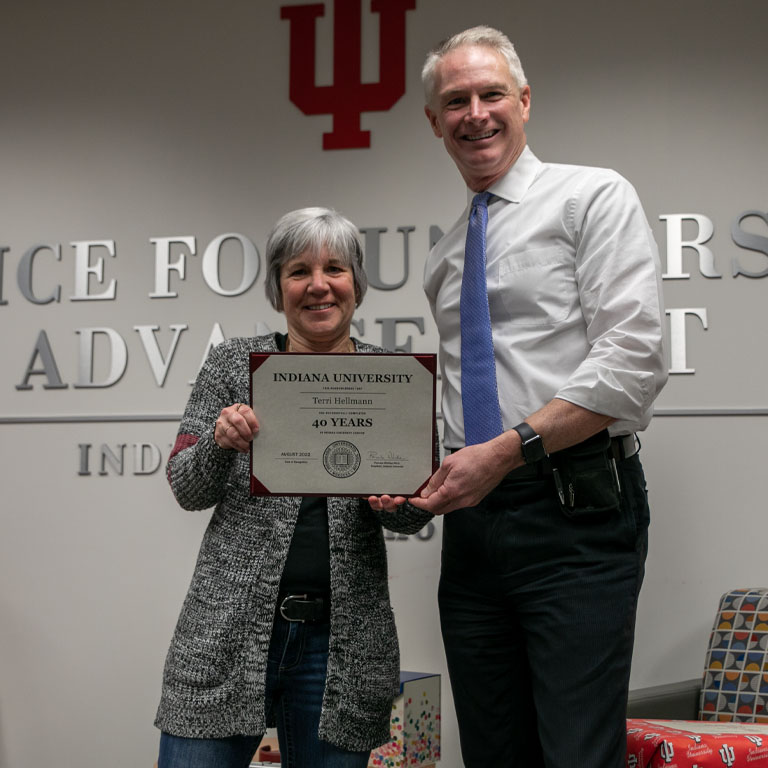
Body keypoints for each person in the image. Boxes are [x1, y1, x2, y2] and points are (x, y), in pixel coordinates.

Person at [409, 25, 668, 768]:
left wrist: (506, 451)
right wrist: (417, 481)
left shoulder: (592, 196)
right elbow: (462, 398)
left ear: (524, 101)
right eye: (455, 100)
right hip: (474, 535)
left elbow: (633, 360)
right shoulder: (444, 252)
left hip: (576, 516)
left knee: (576, 754)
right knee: (493, 754)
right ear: (435, 122)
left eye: (492, 94)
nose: (475, 113)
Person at [154, 207, 433, 768]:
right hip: (224, 632)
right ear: (277, 288)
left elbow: (414, 512)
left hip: (343, 644)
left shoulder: (392, 378)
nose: (318, 285)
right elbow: (186, 486)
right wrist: (219, 441)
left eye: (335, 268)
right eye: (298, 271)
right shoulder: (234, 365)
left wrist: (398, 501)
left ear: (357, 283)